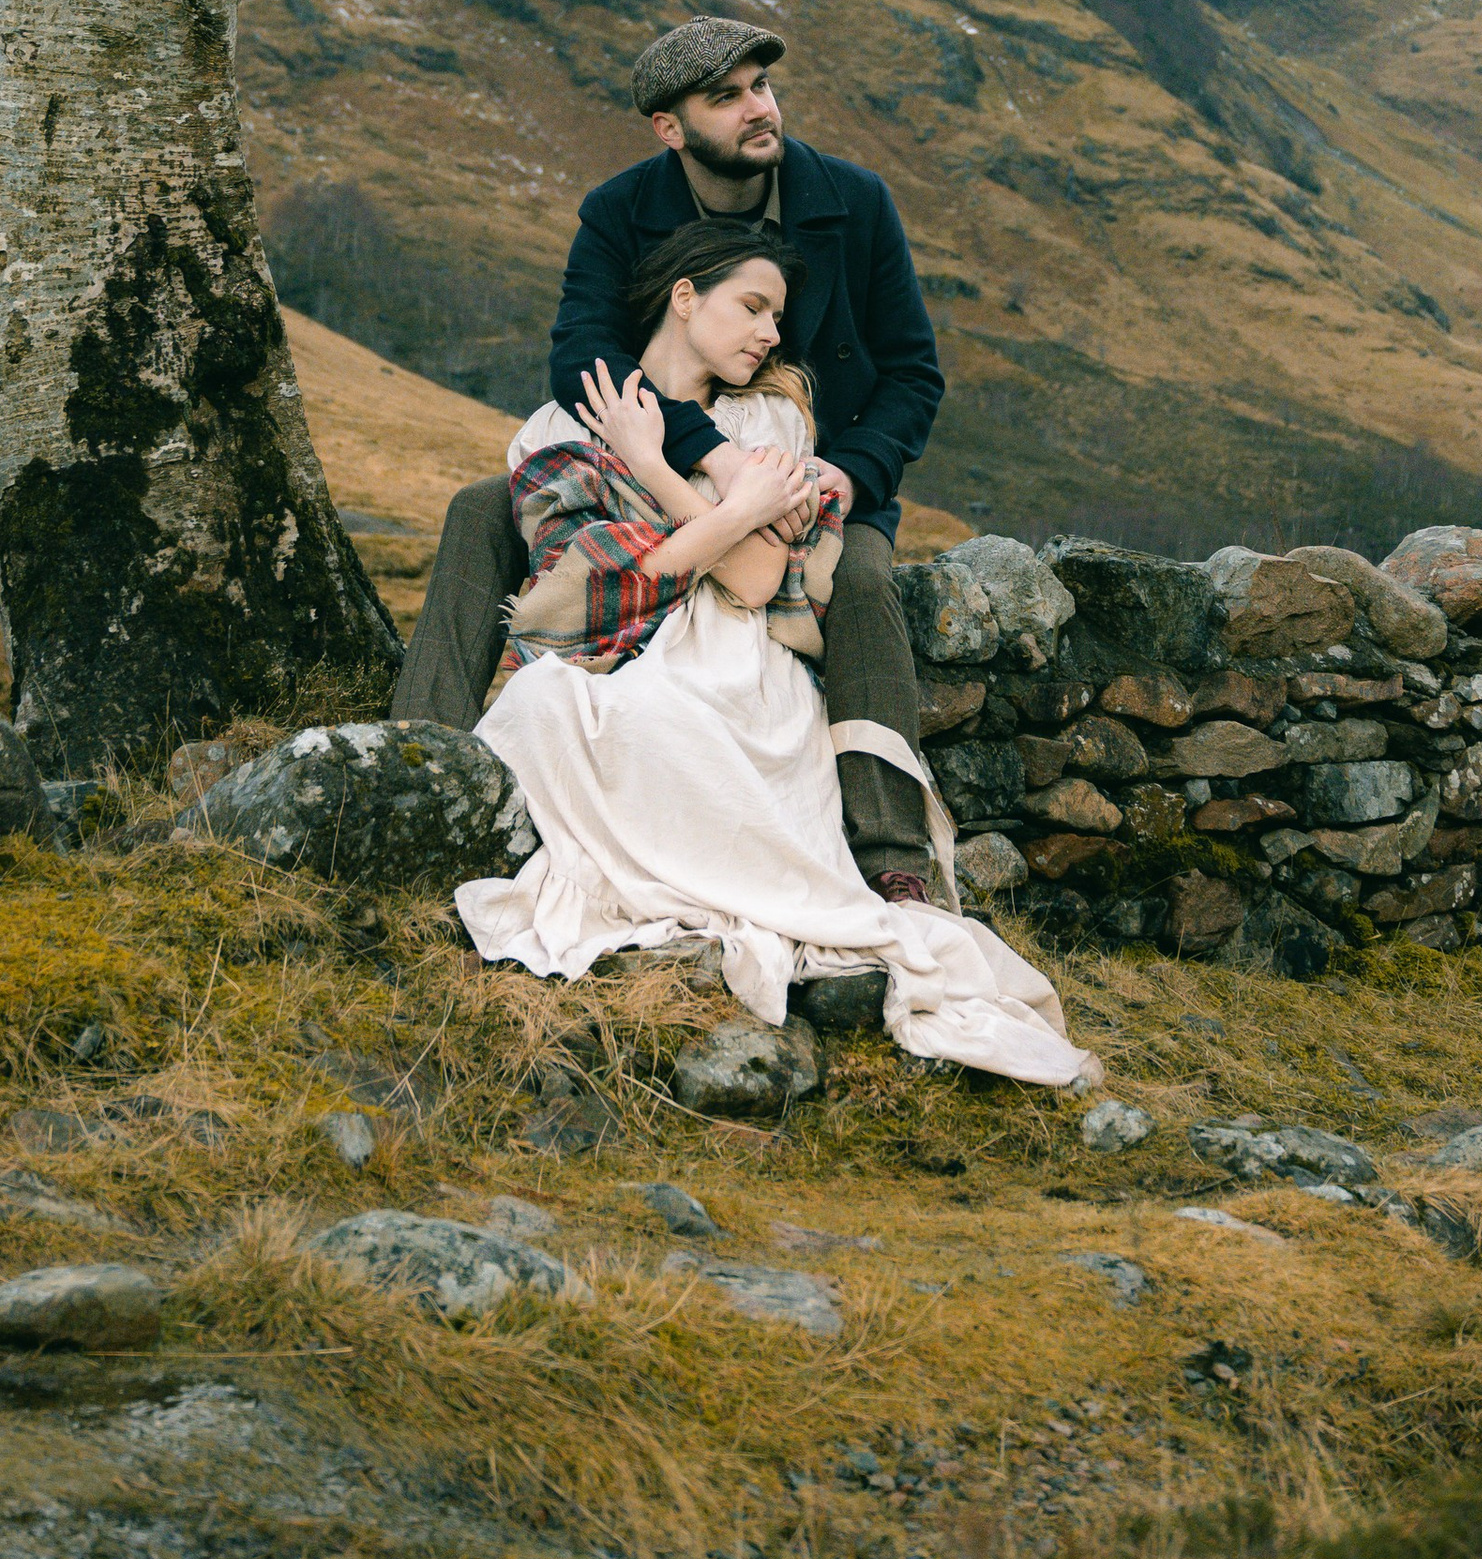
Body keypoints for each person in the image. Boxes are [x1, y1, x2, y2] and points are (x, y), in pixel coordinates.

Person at [453, 215, 1095, 1090]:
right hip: (633, 648)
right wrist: (684, 481)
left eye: (776, 319)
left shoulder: (768, 424)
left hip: (742, 653)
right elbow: (593, 593)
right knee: (561, 708)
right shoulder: (563, 426)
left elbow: (754, 579)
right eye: (752, 306)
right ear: (685, 297)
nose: (768, 334)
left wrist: (671, 476)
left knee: (703, 720)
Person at [394, 12, 948, 901]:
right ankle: (413, 762)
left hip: (817, 476)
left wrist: (852, 469)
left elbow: (913, 374)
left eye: (761, 86)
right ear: (670, 127)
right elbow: (581, 352)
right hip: (655, 454)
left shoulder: (856, 199)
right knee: (477, 506)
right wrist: (708, 454)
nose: (757, 108)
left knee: (869, 583)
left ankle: (892, 854)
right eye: (724, 97)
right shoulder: (620, 212)